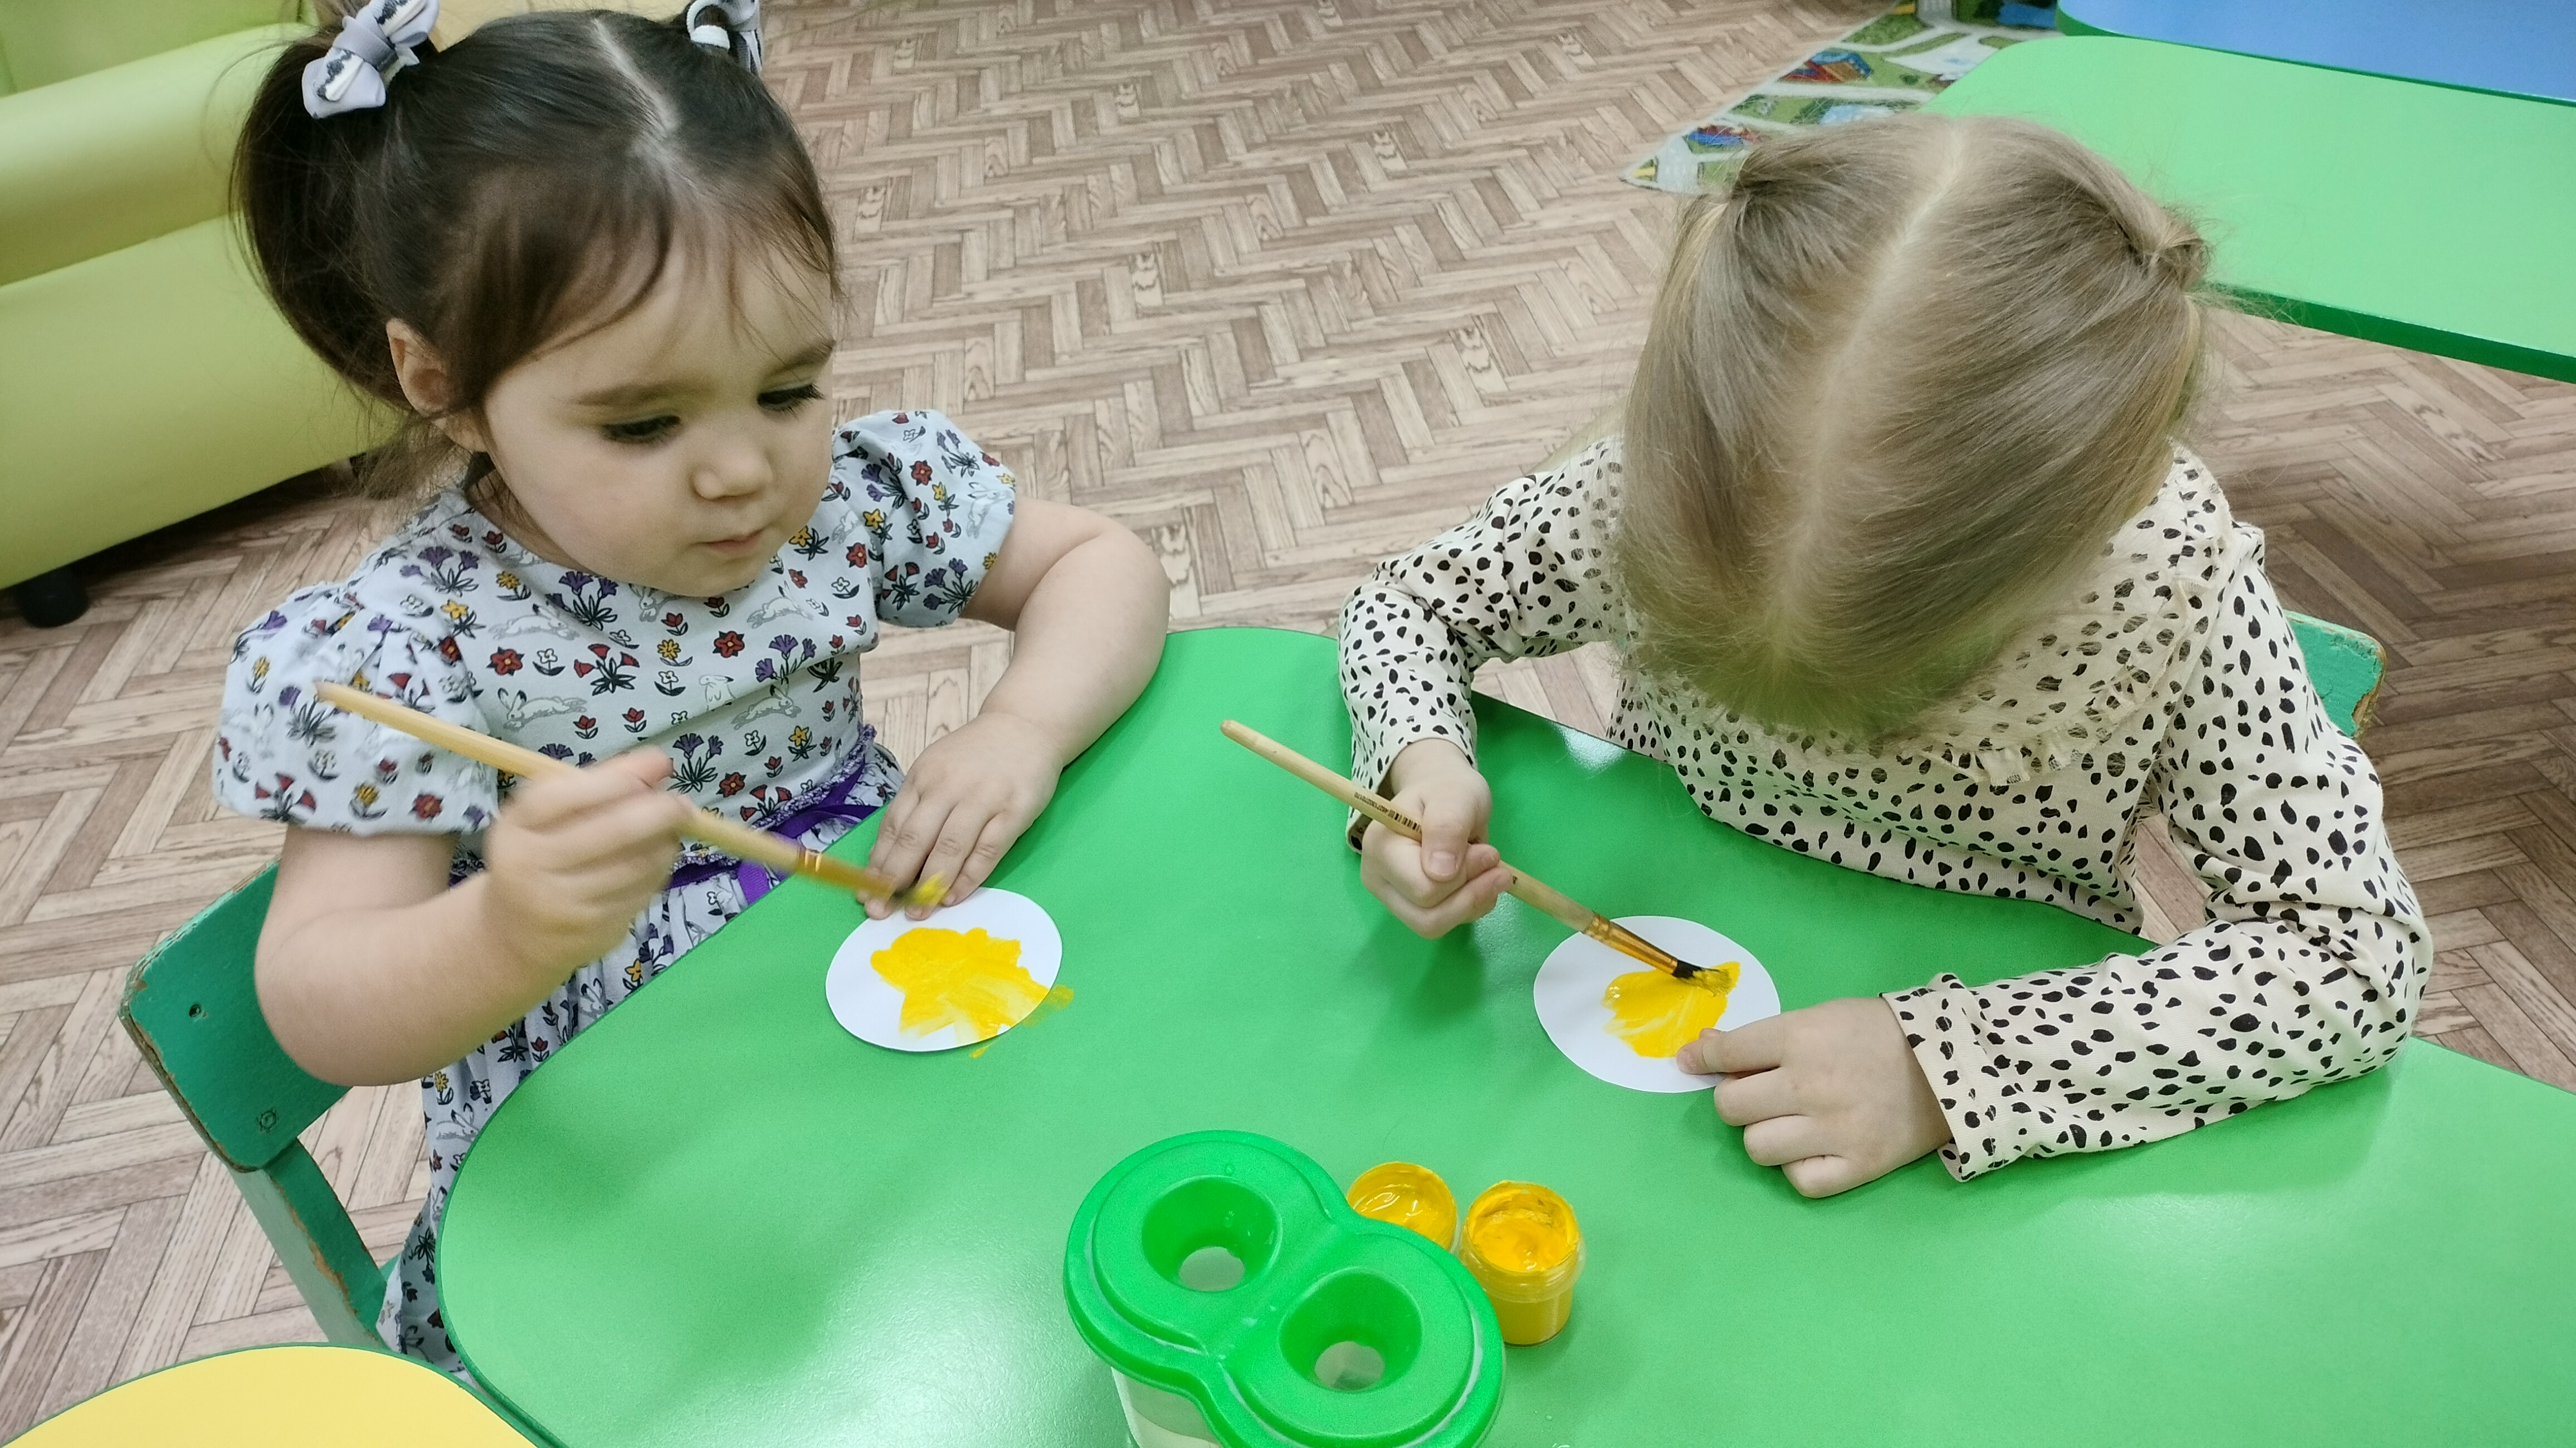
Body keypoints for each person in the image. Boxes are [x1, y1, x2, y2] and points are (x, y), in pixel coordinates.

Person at [215, 0, 1167, 1374]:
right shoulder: (409, 648)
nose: (739, 472)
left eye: (786, 389)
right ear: (444, 382)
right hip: (632, 1190)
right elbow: (317, 999)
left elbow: (1099, 565)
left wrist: (1023, 725)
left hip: (882, 1040)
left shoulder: (841, 503)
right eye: (645, 422)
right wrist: (506, 928)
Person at [1336, 114, 2425, 1200]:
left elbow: (2352, 958)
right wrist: (1417, 763)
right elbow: (1408, 602)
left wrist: (1949, 1065)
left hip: (1991, 1094)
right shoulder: (1651, 486)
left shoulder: (2171, 588)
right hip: (1657, 1015)